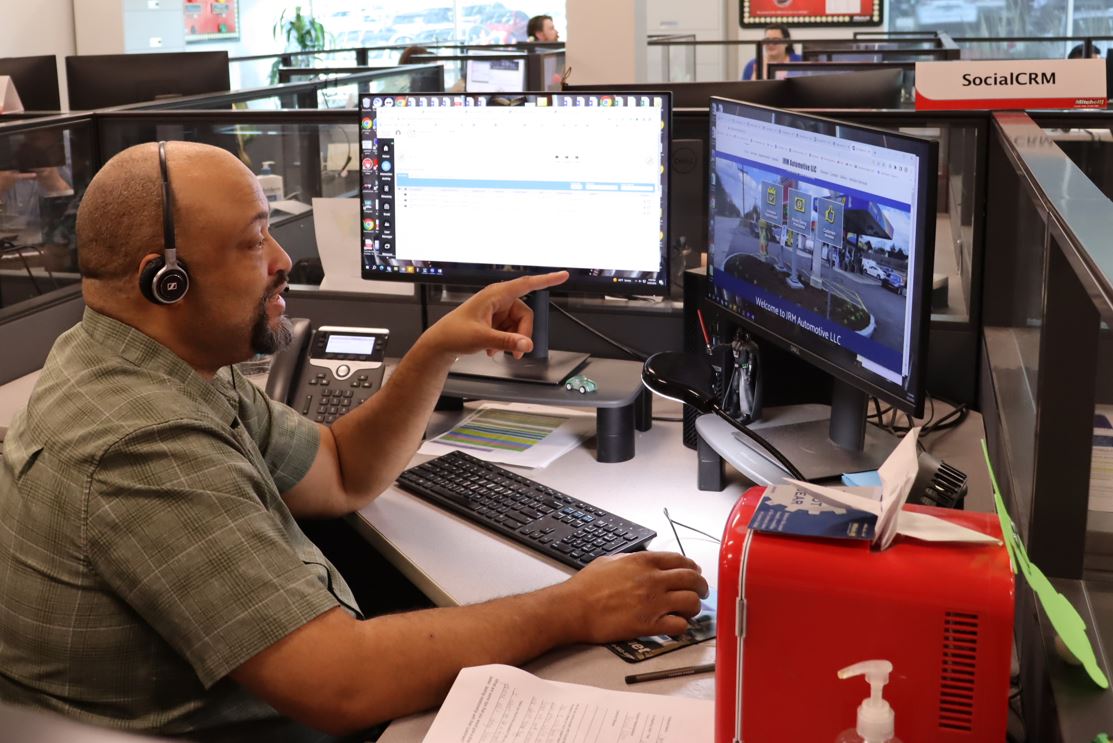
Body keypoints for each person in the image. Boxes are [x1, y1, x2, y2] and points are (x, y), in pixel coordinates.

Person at [0, 141, 707, 741]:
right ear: (167, 279)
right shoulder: (142, 439)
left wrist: (436, 348)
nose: (283, 259)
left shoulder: (152, 360)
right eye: (254, 240)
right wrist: (573, 607)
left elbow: (340, 471)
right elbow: (339, 683)